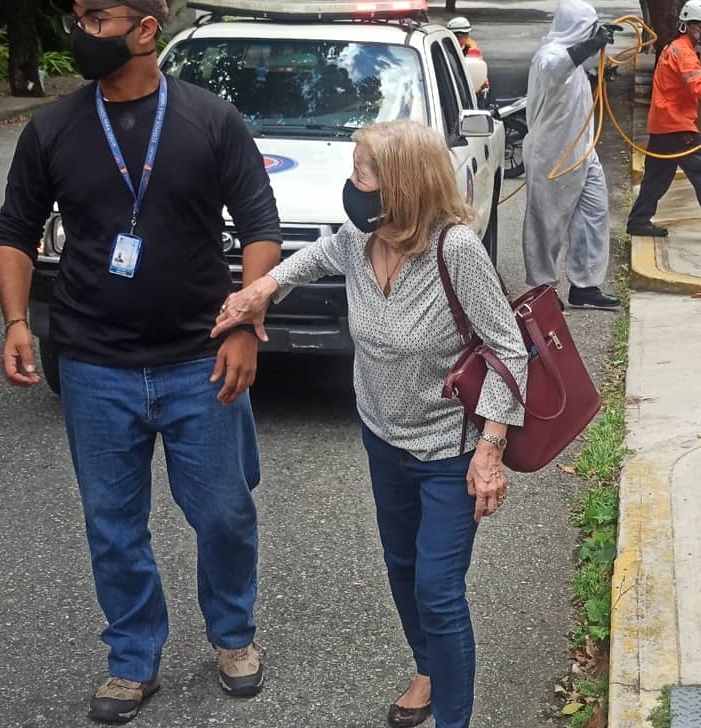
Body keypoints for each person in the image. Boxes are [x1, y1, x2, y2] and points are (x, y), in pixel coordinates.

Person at [0, 0, 282, 724]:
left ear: (145, 30)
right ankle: (131, 657)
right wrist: (18, 321)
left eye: (95, 20)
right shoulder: (52, 127)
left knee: (223, 512)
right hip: (93, 364)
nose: (80, 34)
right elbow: (14, 231)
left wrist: (247, 323)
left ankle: (233, 633)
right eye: (76, 20)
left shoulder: (211, 121)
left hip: (200, 354)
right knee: (112, 524)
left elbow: (259, 229)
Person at [211, 119, 527, 728]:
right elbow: (309, 259)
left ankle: (453, 720)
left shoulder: (453, 249)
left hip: (449, 450)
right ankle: (428, 669)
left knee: (438, 588)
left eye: (363, 171)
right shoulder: (362, 237)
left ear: (403, 184)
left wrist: (490, 450)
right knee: (403, 569)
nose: (351, 183)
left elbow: (508, 349)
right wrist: (260, 292)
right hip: (383, 439)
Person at [522, 0, 620, 309]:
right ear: (575, 28)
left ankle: (586, 285)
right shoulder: (548, 56)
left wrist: (600, 52)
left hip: (582, 151)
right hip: (551, 154)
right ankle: (542, 289)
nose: (592, 35)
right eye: (588, 29)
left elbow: (581, 62)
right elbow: (558, 67)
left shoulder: (573, 57)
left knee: (593, 215)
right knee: (546, 224)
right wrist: (592, 45)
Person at [626, 0, 701, 237]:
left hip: (662, 125)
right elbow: (697, 87)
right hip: (677, 127)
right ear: (690, 26)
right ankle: (639, 220)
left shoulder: (673, 47)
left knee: (657, 176)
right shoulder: (686, 54)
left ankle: (638, 221)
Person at [445, 17, 490, 101]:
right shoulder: (447, 45)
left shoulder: (471, 49)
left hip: (472, 90)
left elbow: (476, 72)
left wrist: (484, 88)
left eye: (457, 36)